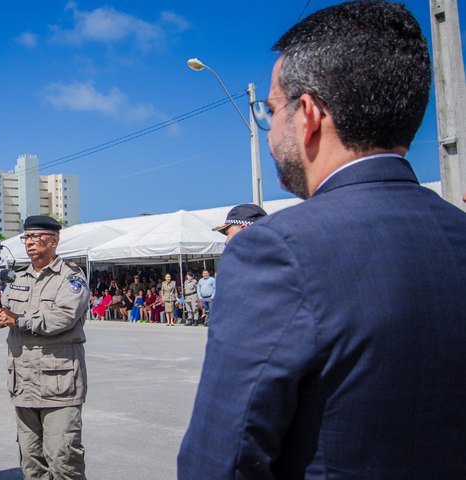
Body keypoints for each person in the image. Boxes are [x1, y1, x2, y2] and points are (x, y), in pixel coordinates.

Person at [178, 2, 466, 478]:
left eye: (270, 111)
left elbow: (223, 460)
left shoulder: (276, 251)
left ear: (307, 115)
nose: (269, 134)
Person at [0, 214, 89, 480]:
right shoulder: (18, 277)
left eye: (36, 236)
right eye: (26, 237)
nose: (29, 242)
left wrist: (18, 320)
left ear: (54, 240)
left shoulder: (70, 277)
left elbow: (63, 317)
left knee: (63, 459)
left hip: (59, 385)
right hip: (24, 382)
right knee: (31, 463)